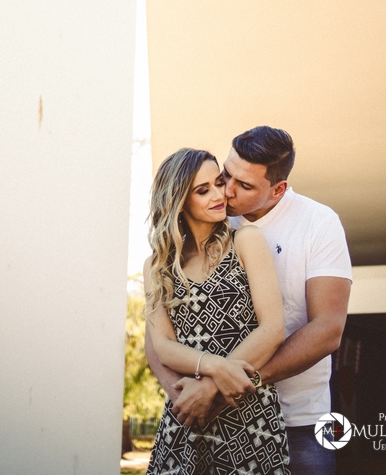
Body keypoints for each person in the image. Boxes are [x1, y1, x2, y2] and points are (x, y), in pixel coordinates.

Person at [146, 127, 352, 475]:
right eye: (225, 175)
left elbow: (327, 329)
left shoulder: (316, 223)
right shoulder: (213, 220)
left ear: (277, 189)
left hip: (297, 416)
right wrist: (186, 398)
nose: (225, 191)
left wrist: (216, 387)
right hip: (199, 413)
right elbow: (160, 339)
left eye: (243, 185)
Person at [144, 147, 291, 475]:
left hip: (248, 418)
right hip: (187, 415)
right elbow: (163, 344)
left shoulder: (246, 241)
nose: (219, 194)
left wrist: (212, 386)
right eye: (203, 190)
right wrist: (212, 366)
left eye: (219, 182)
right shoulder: (157, 267)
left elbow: (272, 329)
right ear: (179, 200)